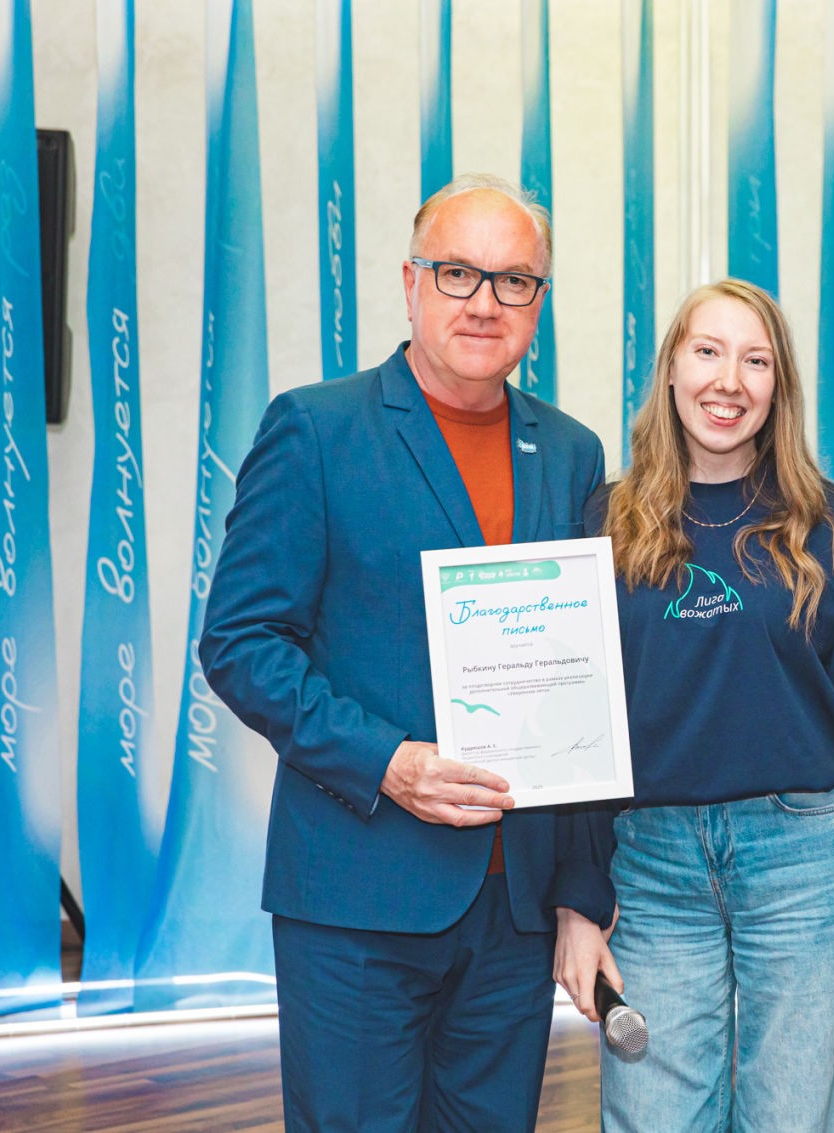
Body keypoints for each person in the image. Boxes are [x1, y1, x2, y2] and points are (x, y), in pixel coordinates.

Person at [199, 173, 612, 1132]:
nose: (485, 301)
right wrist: (388, 761)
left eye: (514, 281)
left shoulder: (573, 452)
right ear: (410, 280)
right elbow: (241, 640)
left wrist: (580, 891)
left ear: (539, 303)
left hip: (516, 909)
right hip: (359, 892)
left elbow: (586, 675)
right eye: (458, 272)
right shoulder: (316, 428)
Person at [553, 279, 834, 1131]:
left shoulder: (824, 521)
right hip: (651, 867)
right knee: (654, 1115)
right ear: (672, 369)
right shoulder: (604, 521)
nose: (729, 380)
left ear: (778, 387)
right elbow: (571, 728)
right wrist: (576, 900)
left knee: (797, 1117)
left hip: (803, 862)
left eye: (756, 360)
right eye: (708, 351)